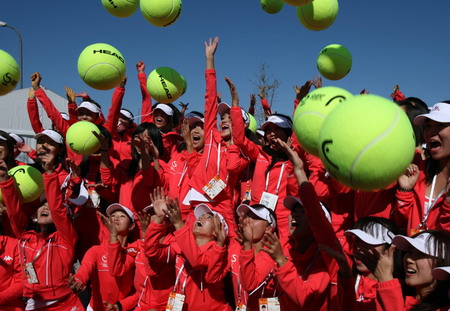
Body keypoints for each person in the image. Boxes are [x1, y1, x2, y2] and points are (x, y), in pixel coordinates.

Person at [0, 150, 84, 310]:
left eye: (49, 207)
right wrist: (4, 180)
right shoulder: (24, 236)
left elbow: (57, 209)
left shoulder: (65, 238)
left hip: (66, 303)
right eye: (42, 206)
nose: (45, 208)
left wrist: (50, 173)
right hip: (34, 304)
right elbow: (13, 212)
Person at [144, 194, 232, 311]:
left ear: (217, 232)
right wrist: (159, 219)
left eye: (209, 217)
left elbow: (197, 260)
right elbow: (152, 252)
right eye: (200, 216)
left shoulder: (218, 252)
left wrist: (179, 224)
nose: (200, 218)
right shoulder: (181, 246)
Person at [394, 101, 450, 235]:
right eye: (427, 126)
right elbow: (400, 223)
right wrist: (404, 191)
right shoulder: (418, 171)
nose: (430, 132)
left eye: (440, 125)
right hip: (412, 254)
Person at [69, 203, 137, 311]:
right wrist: (78, 280)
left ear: (131, 226)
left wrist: (121, 306)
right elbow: (85, 269)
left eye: (122, 216)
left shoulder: (134, 253)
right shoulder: (96, 250)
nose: (116, 218)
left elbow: (139, 291)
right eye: (113, 216)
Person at [374, 230, 450, 311]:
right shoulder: (401, 297)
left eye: (421, 254)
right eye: (409, 252)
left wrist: (386, 282)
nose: (409, 259)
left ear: (442, 263)